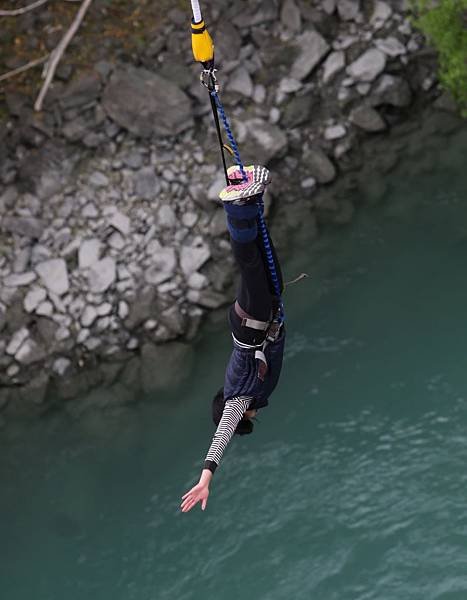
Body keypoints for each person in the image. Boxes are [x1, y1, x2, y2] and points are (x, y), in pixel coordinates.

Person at [181, 164, 286, 513]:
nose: (253, 416)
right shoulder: (244, 395)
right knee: (266, 260)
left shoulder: (237, 399)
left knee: (252, 266)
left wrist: (206, 477)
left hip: (252, 324)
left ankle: (235, 206)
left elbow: (220, 438)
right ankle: (250, 198)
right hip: (262, 319)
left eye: (250, 420)